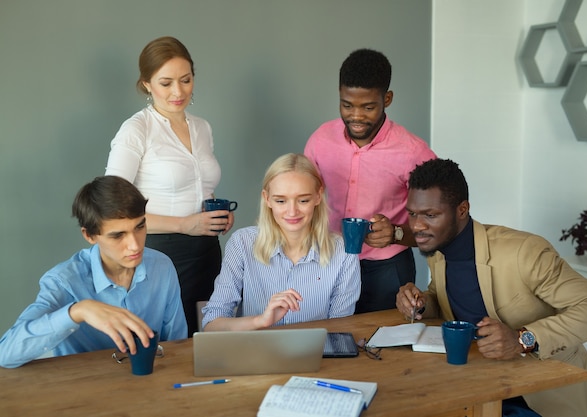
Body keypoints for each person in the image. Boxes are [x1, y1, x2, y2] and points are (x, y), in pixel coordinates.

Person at [395, 158, 587, 417]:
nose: (417, 226)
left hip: (543, 397)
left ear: (462, 210)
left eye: (430, 215)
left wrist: (521, 339)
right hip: (481, 386)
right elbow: (446, 296)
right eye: (412, 214)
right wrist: (421, 303)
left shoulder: (524, 252)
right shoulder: (439, 249)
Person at [105, 36, 233, 336]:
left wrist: (215, 213)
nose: (178, 91)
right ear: (147, 84)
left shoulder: (202, 127)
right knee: (166, 343)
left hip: (207, 250)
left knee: (207, 337)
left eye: (185, 80)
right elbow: (112, 209)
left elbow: (200, 186)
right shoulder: (136, 130)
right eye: (166, 83)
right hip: (159, 254)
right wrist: (185, 223)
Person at [0, 176, 187, 368]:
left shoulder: (162, 266)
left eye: (140, 227)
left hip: (150, 386)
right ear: (89, 236)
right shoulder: (63, 281)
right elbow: (6, 354)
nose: (134, 245)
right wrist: (78, 311)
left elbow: (176, 345)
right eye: (118, 235)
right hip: (83, 390)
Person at [304, 48, 436, 314]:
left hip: (387, 269)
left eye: (368, 107)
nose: (356, 116)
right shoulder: (320, 139)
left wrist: (397, 233)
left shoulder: (414, 153)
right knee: (327, 343)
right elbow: (303, 199)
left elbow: (438, 223)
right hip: (328, 261)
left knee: (386, 348)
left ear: (387, 99)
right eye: (347, 105)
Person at [202, 153, 360, 331]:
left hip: (317, 357)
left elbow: (339, 333)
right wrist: (261, 320)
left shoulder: (344, 253)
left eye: (303, 200)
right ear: (267, 199)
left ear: (318, 196)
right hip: (255, 355)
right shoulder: (242, 243)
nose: (292, 212)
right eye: (281, 201)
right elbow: (211, 325)